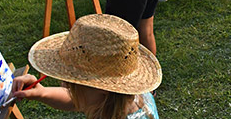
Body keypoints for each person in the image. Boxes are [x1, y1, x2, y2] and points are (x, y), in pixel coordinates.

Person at [11, 14, 161, 119]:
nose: (64, 83)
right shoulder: (121, 99)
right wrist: (42, 92)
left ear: (104, 90)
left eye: (75, 83)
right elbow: (77, 100)